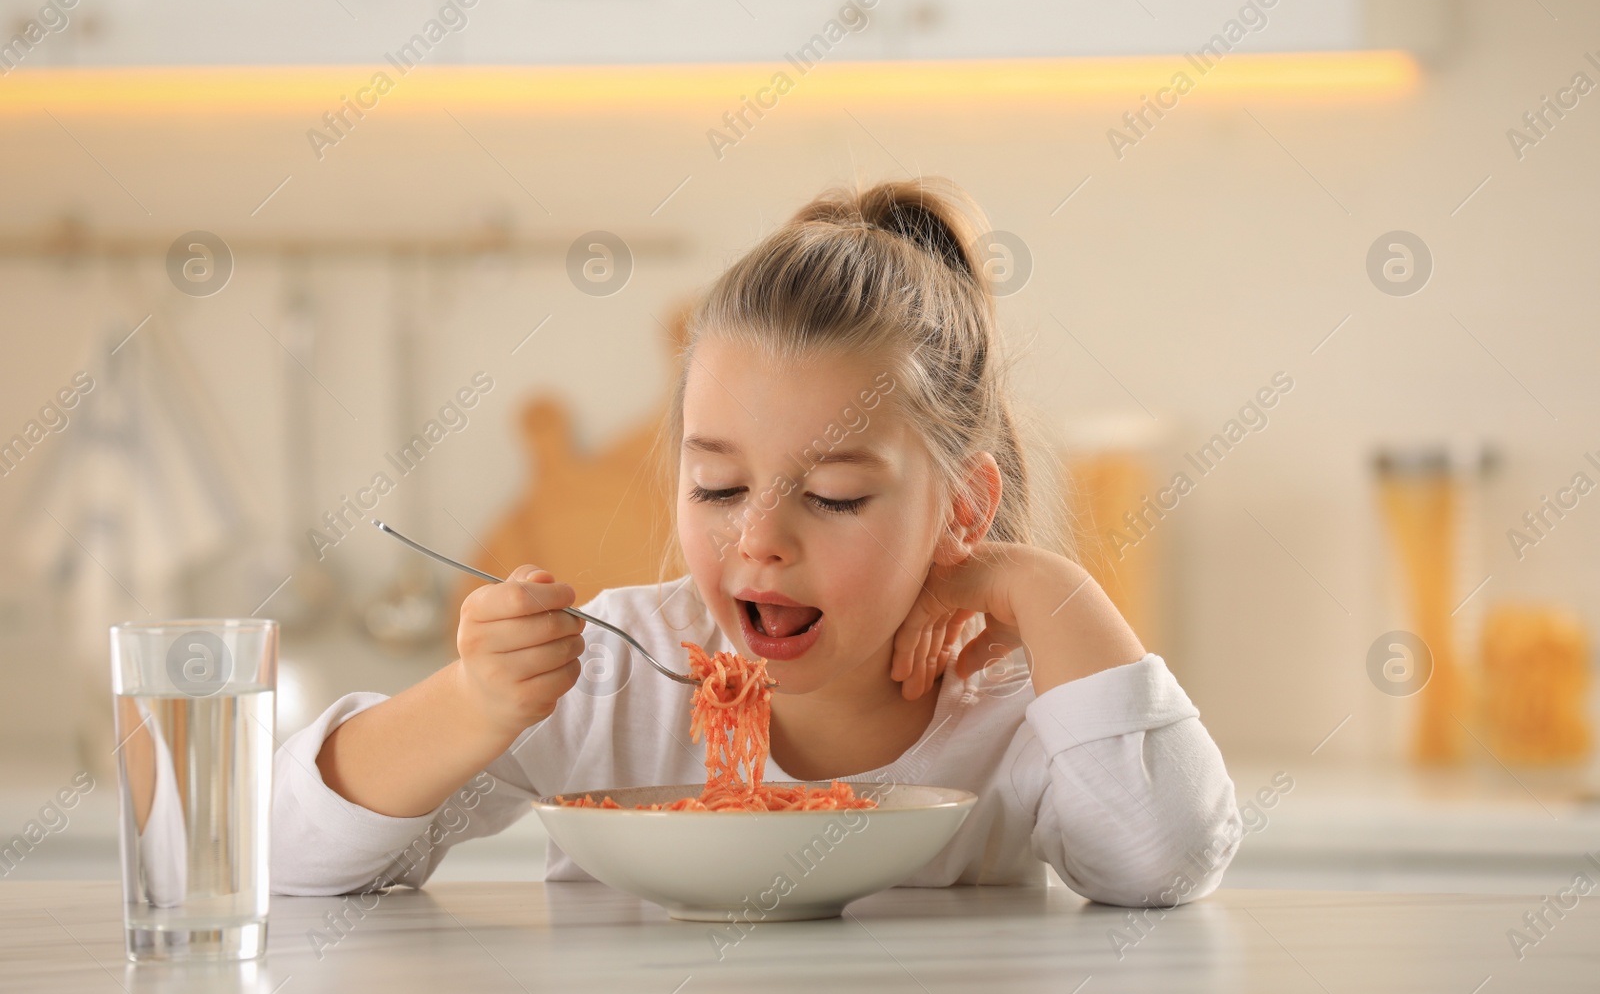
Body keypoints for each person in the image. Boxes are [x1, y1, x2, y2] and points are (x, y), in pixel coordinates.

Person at [271, 176, 1243, 907]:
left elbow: (1166, 861)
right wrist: (470, 699)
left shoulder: (1015, 707)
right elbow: (283, 852)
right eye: (719, 485)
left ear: (959, 510)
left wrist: (1040, 584)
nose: (759, 539)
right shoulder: (613, 679)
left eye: (832, 495)